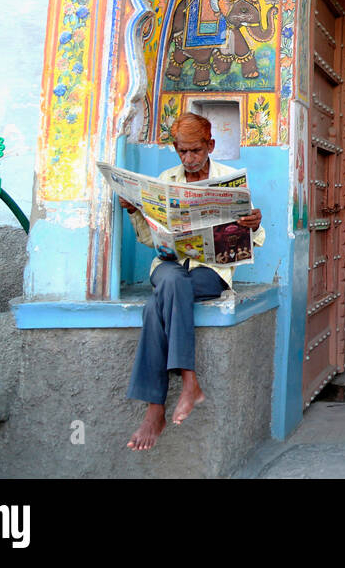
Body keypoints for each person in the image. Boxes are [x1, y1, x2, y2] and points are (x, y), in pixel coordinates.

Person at [119, 113, 264, 450]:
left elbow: (256, 236)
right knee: (170, 281)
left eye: (195, 150)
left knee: (156, 305)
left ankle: (155, 408)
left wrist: (253, 223)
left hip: (210, 271)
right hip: (169, 264)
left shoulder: (230, 180)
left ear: (210, 146)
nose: (188, 158)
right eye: (182, 151)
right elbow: (147, 239)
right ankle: (189, 381)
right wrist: (134, 211)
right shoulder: (165, 179)